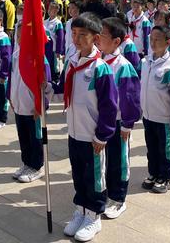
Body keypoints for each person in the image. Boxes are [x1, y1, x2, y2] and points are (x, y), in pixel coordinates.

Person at [62, 13, 117, 242]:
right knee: (78, 174)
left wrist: (102, 136)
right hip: (74, 132)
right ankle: (81, 210)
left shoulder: (100, 69)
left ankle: (94, 215)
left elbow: (109, 106)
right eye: (74, 34)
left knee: (94, 177)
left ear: (95, 38)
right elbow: (63, 91)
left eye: (82, 35)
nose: (76, 39)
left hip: (93, 136)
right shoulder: (71, 62)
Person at [99, 18, 141, 220]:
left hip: (116, 122)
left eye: (103, 35)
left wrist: (127, 123)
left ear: (116, 41)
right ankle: (107, 192)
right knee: (104, 161)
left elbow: (131, 98)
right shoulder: (97, 60)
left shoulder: (123, 66)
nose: (98, 38)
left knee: (118, 161)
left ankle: (118, 198)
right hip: (99, 121)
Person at [140, 26, 170, 194]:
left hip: (164, 117)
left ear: (168, 42)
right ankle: (153, 173)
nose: (153, 43)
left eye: (157, 40)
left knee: (165, 148)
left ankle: (166, 176)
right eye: (151, 39)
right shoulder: (145, 62)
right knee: (151, 147)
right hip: (148, 115)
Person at [8, 23, 52, 183]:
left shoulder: (39, 58)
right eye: (18, 36)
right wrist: (10, 97)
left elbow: (45, 85)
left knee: (35, 139)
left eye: (23, 36)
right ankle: (27, 163)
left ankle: (36, 166)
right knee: (24, 137)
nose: (20, 39)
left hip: (33, 108)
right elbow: (12, 78)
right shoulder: (15, 55)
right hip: (19, 105)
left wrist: (41, 105)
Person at [44, 1, 65, 84]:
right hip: (45, 49)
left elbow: (60, 38)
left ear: (57, 10)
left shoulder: (58, 23)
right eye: (49, 8)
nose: (50, 10)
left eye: (52, 9)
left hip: (53, 50)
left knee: (53, 67)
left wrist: (58, 51)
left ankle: (54, 81)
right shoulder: (45, 22)